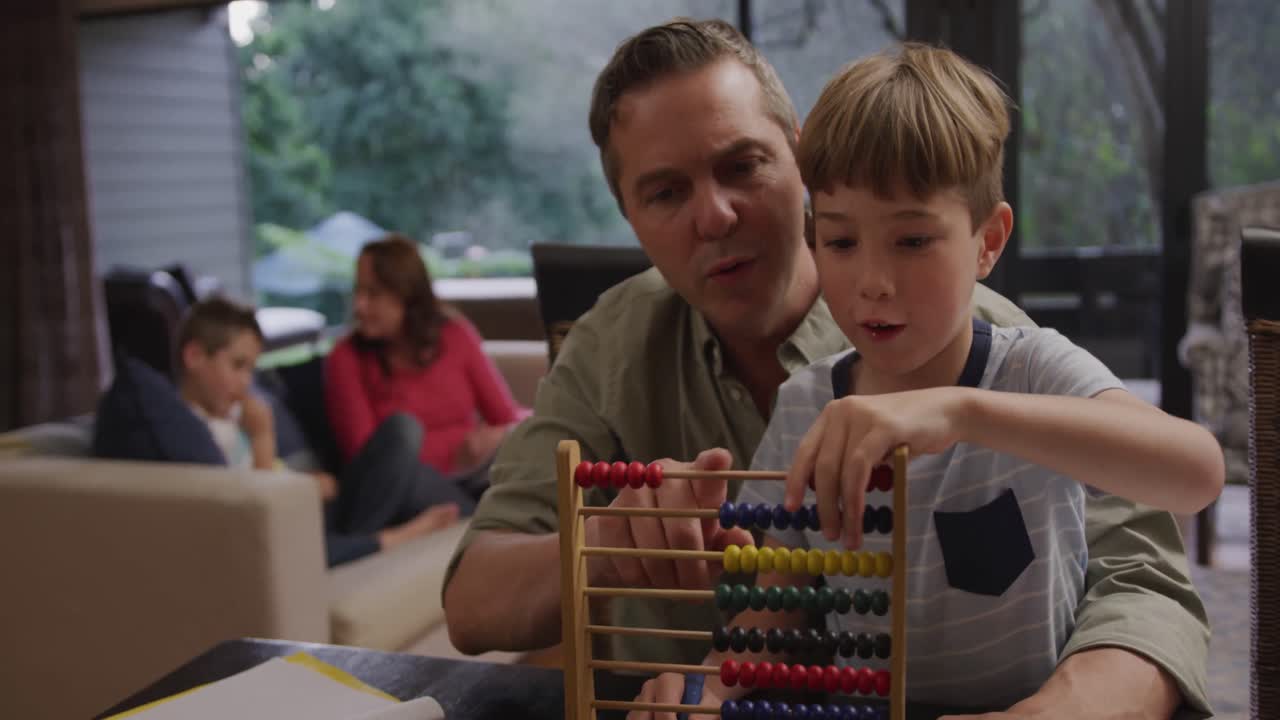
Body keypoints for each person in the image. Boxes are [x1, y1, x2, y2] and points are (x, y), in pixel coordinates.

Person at [443, 18, 1212, 716]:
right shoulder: (766, 392)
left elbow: (1171, 510)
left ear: (795, 160)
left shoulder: (1009, 349)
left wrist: (964, 411)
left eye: (742, 166)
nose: (875, 280)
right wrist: (700, 685)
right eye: (667, 191)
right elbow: (760, 616)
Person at [175, 297, 460, 567]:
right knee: (415, 482)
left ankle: (458, 523)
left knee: (403, 430)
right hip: (291, 529)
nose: (246, 382)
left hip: (314, 507)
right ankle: (398, 536)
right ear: (195, 356)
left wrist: (304, 482)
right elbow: (259, 513)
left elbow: (270, 474)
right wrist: (263, 437)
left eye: (251, 369)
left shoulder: (234, 415)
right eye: (237, 365)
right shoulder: (193, 434)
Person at [325, 234, 528, 510]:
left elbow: (504, 415)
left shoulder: (455, 334)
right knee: (407, 445)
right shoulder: (345, 358)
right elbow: (371, 461)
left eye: (373, 294)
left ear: (406, 295)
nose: (359, 305)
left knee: (533, 447)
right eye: (358, 291)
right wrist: (456, 454)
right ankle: (481, 519)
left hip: (477, 470)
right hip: (407, 485)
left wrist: (502, 434)